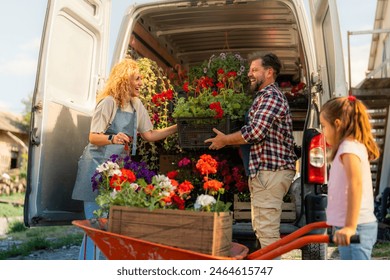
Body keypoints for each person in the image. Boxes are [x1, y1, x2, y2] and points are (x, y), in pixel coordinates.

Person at [71, 57, 177, 260]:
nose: (141, 83)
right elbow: (93, 136)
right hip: (95, 167)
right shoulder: (108, 102)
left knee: (110, 227)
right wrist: (112, 137)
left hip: (117, 171)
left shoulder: (136, 105)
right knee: (98, 226)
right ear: (124, 80)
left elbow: (150, 135)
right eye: (137, 79)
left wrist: (178, 127)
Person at [205, 52, 297, 249]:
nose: (249, 74)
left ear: (269, 72)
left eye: (255, 70)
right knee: (263, 229)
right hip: (264, 172)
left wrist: (225, 140)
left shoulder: (271, 96)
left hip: (271, 171)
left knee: (267, 231)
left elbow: (255, 132)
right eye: (249, 70)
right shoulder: (262, 97)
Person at [320, 96, 380, 260]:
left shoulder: (349, 148)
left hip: (357, 226)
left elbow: (355, 184)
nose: (323, 132)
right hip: (350, 225)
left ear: (337, 125)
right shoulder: (348, 147)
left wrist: (350, 226)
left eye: (324, 126)